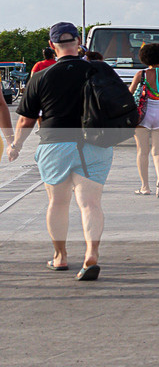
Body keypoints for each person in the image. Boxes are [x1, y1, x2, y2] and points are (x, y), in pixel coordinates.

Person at [5, 22, 111, 280]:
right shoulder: (99, 70)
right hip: (95, 143)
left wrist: (16, 146)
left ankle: (60, 257)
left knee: (58, 203)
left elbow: (26, 120)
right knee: (90, 204)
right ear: (78, 43)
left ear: (52, 46)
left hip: (55, 144)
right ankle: (91, 255)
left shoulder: (41, 77)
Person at [131, 41, 159, 197]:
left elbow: (130, 94)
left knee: (142, 151)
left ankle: (145, 186)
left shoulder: (141, 74)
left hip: (143, 115)